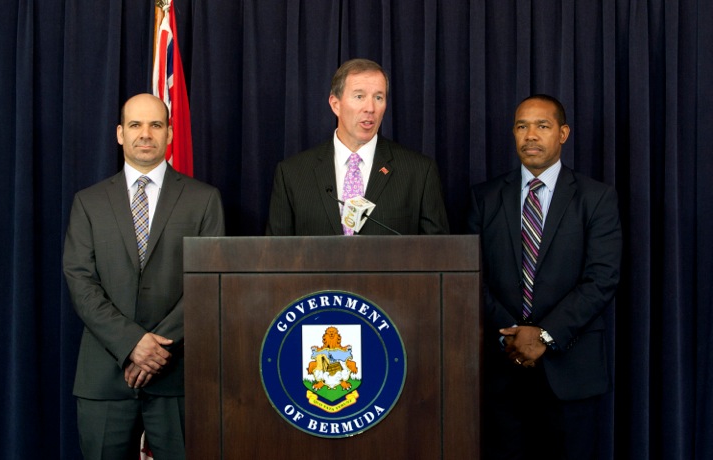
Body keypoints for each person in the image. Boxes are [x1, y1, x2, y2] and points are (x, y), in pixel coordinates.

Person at [63, 93, 225, 459]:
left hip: (179, 377)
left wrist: (156, 350)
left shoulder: (204, 200)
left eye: (155, 125)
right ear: (120, 134)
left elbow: (207, 284)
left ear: (170, 133)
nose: (145, 134)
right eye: (135, 125)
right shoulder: (88, 203)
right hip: (105, 377)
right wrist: (132, 343)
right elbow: (80, 281)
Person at [467, 94, 622, 459]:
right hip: (501, 372)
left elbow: (602, 278)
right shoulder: (484, 198)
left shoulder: (596, 198)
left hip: (571, 370)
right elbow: (472, 276)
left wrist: (544, 335)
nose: (531, 135)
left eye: (542, 126)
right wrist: (513, 334)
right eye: (522, 126)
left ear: (563, 133)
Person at [265, 58, 449, 235]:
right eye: (359, 96)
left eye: (378, 97)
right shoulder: (292, 174)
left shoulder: (419, 172)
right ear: (335, 105)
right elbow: (277, 252)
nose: (370, 108)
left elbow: (437, 251)